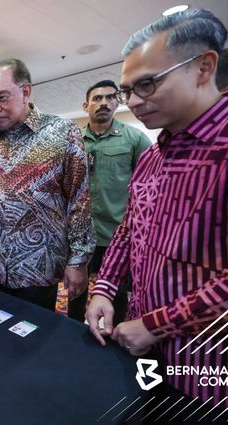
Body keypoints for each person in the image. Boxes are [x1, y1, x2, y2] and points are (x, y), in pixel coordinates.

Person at [86, 9, 228, 417]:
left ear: (204, 67)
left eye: (148, 84)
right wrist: (104, 289)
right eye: (128, 90)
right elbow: (129, 228)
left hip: (212, 369)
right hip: (143, 348)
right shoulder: (154, 154)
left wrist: (155, 325)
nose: (134, 101)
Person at [0, 59, 94, 310]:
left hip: (39, 272)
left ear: (26, 91)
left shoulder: (62, 133)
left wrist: (78, 261)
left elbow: (79, 202)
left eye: (2, 98)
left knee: (33, 333)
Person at [69, 80, 151, 322]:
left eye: (110, 97)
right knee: (75, 290)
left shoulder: (135, 138)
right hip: (78, 234)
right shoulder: (72, 140)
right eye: (97, 98)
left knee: (115, 294)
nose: (103, 103)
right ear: (86, 106)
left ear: (117, 102)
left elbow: (149, 187)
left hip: (116, 235)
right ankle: (72, 331)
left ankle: (112, 335)